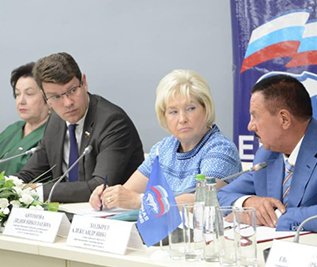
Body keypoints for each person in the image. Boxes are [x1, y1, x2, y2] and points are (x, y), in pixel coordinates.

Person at [217, 74, 317, 232]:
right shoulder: (267, 154)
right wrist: (248, 203)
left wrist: (264, 216)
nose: (250, 126)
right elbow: (221, 195)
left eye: (255, 116)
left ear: (284, 119)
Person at [89, 69, 241, 210]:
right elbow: (128, 192)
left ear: (206, 109)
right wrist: (107, 196)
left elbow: (204, 201)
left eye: (190, 109)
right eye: (173, 112)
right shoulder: (163, 148)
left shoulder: (221, 149)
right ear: (164, 117)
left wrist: (141, 201)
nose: (182, 119)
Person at [17, 52, 144, 203]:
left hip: (113, 213)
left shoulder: (113, 122)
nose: (67, 103)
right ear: (46, 98)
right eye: (56, 97)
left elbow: (100, 186)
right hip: (68, 211)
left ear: (84, 82)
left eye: (72, 91)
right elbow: (31, 173)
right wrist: (5, 187)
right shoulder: (56, 120)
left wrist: (37, 191)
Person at [0, 62, 49, 176]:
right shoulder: (11, 131)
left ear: (48, 96)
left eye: (29, 94)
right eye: (17, 94)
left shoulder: (55, 134)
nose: (21, 101)